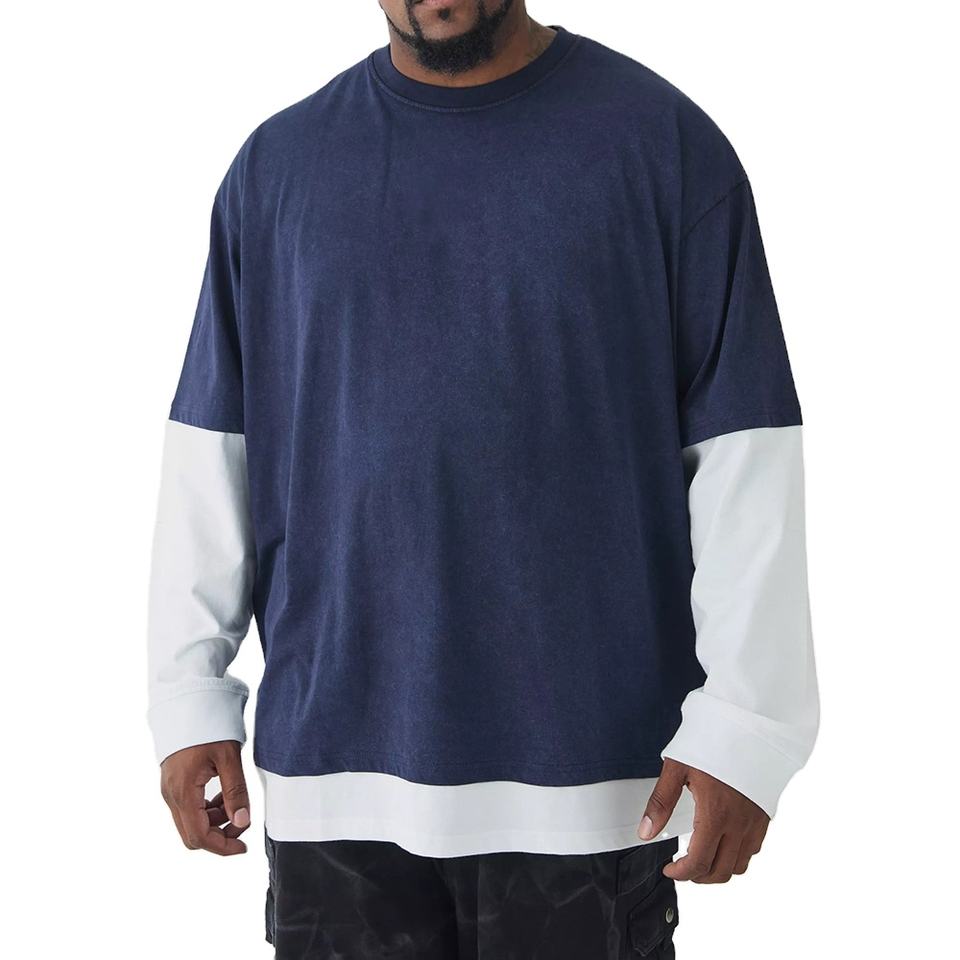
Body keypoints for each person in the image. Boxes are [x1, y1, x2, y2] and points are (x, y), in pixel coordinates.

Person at [146, 2, 819, 957]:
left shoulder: (664, 148)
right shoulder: (277, 170)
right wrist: (187, 695)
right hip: (335, 777)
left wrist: (747, 727)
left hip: (588, 783)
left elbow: (746, 453)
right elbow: (215, 447)